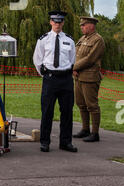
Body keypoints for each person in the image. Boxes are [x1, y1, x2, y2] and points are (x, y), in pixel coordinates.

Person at [33, 10, 77, 152]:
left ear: (63, 23)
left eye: (60, 21)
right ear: (50, 22)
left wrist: (65, 72)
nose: (57, 24)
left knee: (67, 112)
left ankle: (65, 142)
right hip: (50, 79)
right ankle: (45, 142)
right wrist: (45, 75)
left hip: (66, 80)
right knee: (47, 112)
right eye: (55, 21)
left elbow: (72, 60)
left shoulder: (69, 40)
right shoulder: (43, 39)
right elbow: (37, 60)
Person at [73, 16, 105, 142]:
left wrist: (73, 67)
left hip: (90, 77)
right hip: (78, 76)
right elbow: (76, 55)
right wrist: (74, 68)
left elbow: (90, 59)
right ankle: (85, 129)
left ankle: (95, 133)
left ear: (91, 26)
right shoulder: (83, 39)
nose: (81, 27)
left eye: (84, 25)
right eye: (81, 25)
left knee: (92, 105)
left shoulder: (98, 40)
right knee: (81, 104)